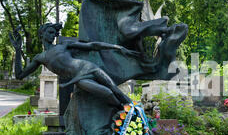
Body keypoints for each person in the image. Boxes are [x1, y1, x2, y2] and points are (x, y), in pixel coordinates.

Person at [10, 23, 141, 108]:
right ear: (42, 34)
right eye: (49, 32)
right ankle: (125, 112)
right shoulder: (40, 57)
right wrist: (17, 51)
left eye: (53, 33)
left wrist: (116, 47)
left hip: (89, 67)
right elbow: (20, 75)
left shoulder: (63, 45)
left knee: (116, 90)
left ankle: (134, 112)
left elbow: (91, 46)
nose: (52, 35)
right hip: (79, 79)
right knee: (107, 93)